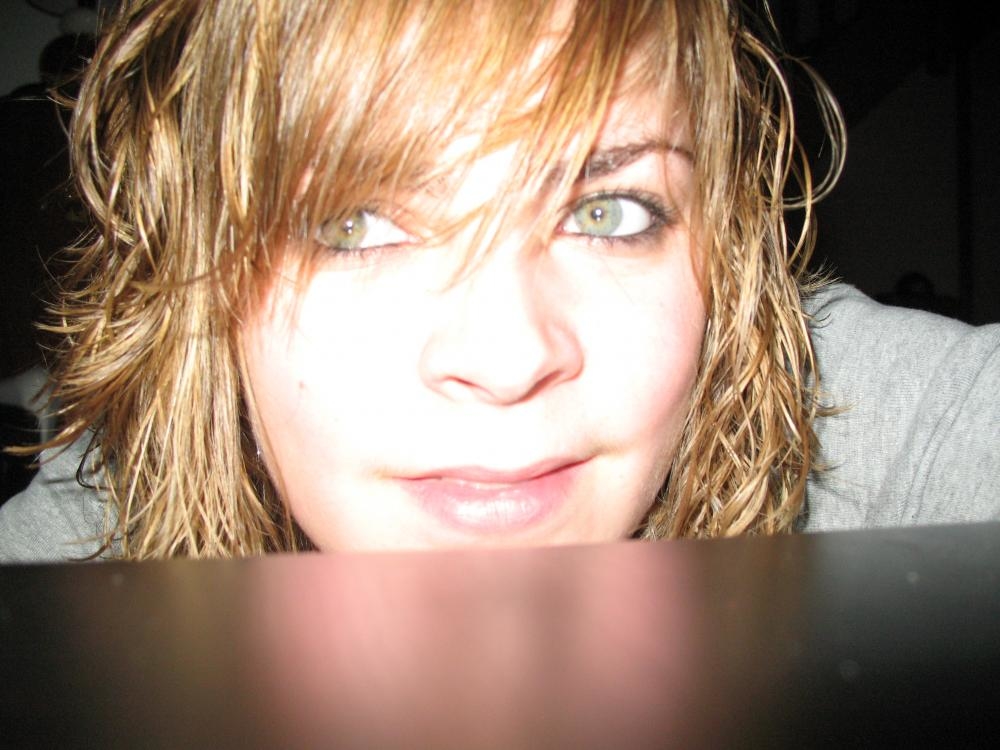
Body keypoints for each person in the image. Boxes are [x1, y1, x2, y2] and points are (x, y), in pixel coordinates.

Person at [1, 0, 997, 563]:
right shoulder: (79, 575)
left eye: (608, 212)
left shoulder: (885, 440)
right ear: (199, 277)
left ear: (725, 250)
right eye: (355, 224)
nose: (508, 358)